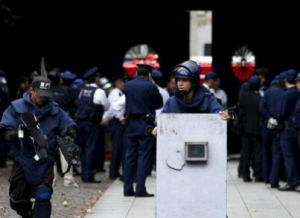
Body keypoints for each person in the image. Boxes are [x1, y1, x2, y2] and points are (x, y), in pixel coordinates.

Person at [0, 76, 77, 218]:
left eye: (46, 95)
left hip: (45, 159)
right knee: (16, 200)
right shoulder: (16, 107)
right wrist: (10, 133)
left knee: (43, 195)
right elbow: (5, 127)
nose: (43, 98)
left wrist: (68, 133)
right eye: (40, 94)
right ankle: (28, 213)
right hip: (23, 160)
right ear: (31, 91)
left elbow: (68, 125)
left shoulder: (55, 110)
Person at [123, 64, 163, 197]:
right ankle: (140, 189)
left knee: (130, 156)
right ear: (149, 74)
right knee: (144, 156)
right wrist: (153, 86)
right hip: (145, 123)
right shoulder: (150, 86)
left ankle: (127, 188)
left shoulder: (128, 85)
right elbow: (159, 104)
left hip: (131, 123)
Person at [75, 66, 109, 183]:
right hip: (92, 124)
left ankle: (84, 173)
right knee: (91, 149)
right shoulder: (99, 92)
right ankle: (89, 175)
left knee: (83, 148)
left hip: (81, 122)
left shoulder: (82, 91)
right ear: (96, 79)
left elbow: (79, 104)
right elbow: (106, 106)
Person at [238, 76, 263, 182]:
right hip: (257, 129)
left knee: (246, 151)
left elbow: (240, 114)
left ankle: (245, 174)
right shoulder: (260, 98)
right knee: (257, 152)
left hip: (246, 128)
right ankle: (258, 174)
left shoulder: (243, 97)